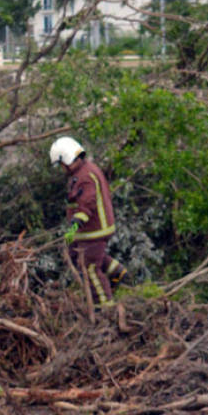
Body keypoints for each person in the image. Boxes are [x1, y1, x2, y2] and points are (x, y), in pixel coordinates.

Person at [49, 136, 129, 327]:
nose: (61, 169)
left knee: (89, 266)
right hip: (90, 231)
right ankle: (118, 272)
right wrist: (72, 234)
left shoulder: (85, 177)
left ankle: (105, 308)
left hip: (94, 230)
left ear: (67, 159)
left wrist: (74, 226)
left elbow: (86, 206)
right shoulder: (85, 171)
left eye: (61, 164)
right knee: (78, 254)